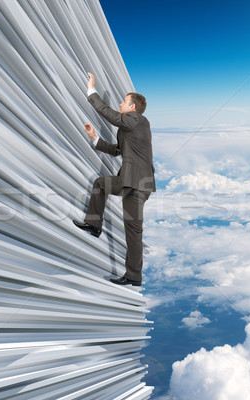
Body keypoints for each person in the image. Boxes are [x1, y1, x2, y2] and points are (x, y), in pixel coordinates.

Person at [73, 72, 155, 286]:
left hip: (136, 185)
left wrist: (91, 90)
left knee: (134, 233)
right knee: (101, 184)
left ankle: (132, 275)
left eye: (124, 102)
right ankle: (94, 225)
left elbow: (109, 114)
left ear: (133, 108)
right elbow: (118, 150)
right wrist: (95, 139)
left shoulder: (136, 120)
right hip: (132, 183)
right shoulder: (132, 126)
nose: (120, 104)